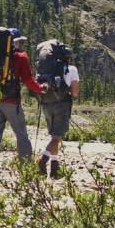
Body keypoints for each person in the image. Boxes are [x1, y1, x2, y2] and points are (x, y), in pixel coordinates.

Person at [0, 30, 46, 183]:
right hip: (11, 102)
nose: (21, 44)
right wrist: (41, 88)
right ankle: (26, 172)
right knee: (21, 135)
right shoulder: (21, 57)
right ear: (14, 41)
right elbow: (29, 81)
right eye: (20, 41)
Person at [37, 48, 80, 179]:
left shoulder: (47, 70)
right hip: (62, 105)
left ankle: (54, 168)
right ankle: (42, 160)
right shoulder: (72, 69)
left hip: (46, 104)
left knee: (55, 136)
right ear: (68, 57)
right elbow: (75, 92)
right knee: (57, 137)